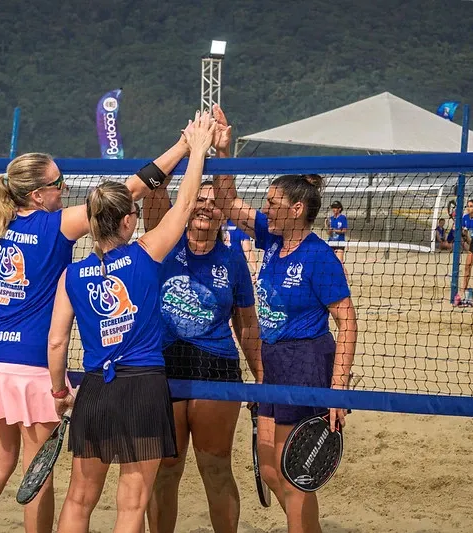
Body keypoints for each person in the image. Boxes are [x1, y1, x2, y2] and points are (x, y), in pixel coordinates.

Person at [0, 129, 192, 533]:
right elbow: (129, 192)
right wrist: (183, 147)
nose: (65, 187)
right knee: (37, 473)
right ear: (38, 194)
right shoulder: (57, 225)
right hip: (31, 362)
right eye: (58, 182)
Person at [47, 111, 216, 533]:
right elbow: (185, 204)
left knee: (79, 499)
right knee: (131, 505)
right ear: (128, 221)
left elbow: (56, 342)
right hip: (142, 385)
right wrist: (197, 150)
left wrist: (59, 392)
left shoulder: (71, 274)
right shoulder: (145, 252)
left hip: (95, 387)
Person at [212, 104, 357, 533]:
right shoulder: (272, 239)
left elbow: (348, 321)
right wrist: (222, 152)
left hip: (305, 361)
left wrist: (338, 389)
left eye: (273, 203)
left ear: (296, 209)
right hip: (273, 360)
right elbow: (226, 202)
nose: (266, 208)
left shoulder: (319, 256)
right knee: (272, 470)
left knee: (294, 475)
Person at [142, 174, 261, 533]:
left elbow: (247, 324)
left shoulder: (233, 260)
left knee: (216, 468)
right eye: (199, 199)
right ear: (188, 202)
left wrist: (262, 379)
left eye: (215, 202)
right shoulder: (164, 242)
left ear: (225, 212)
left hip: (216, 366)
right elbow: (155, 193)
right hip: (165, 363)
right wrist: (186, 154)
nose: (207, 207)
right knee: (166, 468)